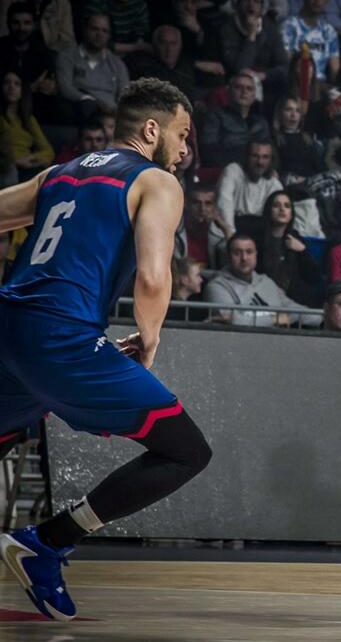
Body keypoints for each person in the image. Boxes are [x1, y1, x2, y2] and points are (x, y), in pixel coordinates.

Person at [0, 77, 212, 621]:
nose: (185, 150)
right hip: (62, 337)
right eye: (182, 135)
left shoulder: (59, 173)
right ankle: (48, 542)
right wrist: (150, 338)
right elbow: (153, 278)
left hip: (8, 327)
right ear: (152, 130)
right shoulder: (156, 181)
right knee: (186, 451)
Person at [203, 233, 320, 327]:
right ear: (228, 256)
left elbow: (295, 310)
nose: (244, 258)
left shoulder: (266, 282)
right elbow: (229, 321)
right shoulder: (216, 286)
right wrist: (276, 319)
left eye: (249, 252)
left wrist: (322, 317)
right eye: (237, 253)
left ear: (256, 255)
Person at [282, 0, 340, 86]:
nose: (317, 0)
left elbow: (335, 71)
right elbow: (287, 64)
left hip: (322, 86)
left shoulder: (329, 31)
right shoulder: (289, 26)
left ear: (326, 2)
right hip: (296, 84)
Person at [1, 71, 54, 183]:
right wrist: (16, 161)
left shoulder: (28, 119)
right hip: (6, 168)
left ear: (22, 90)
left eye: (17, 84)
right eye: (7, 83)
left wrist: (29, 158)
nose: (11, 87)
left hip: (27, 165)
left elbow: (48, 151)